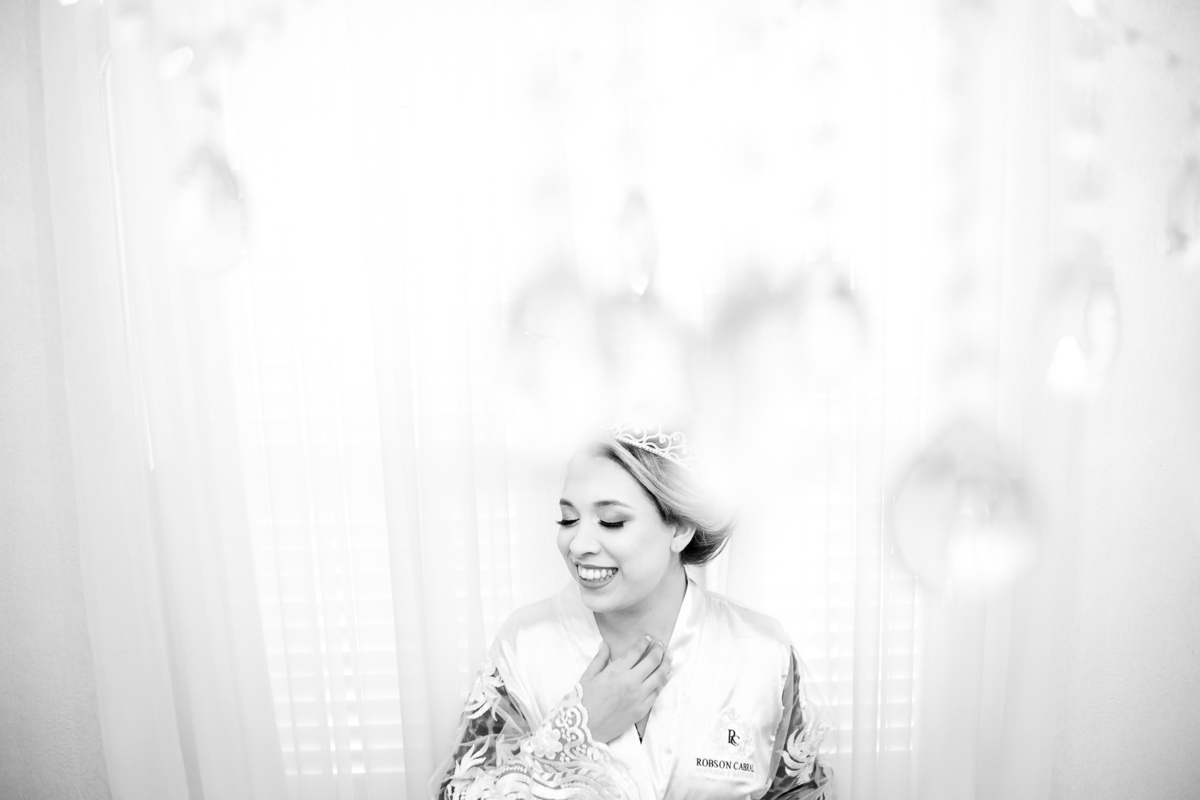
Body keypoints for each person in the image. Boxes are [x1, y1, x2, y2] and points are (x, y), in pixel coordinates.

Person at [432, 424, 834, 799]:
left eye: (611, 522)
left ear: (680, 527)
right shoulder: (525, 645)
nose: (578, 545)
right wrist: (575, 733)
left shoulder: (761, 652)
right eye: (568, 519)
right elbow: (458, 793)